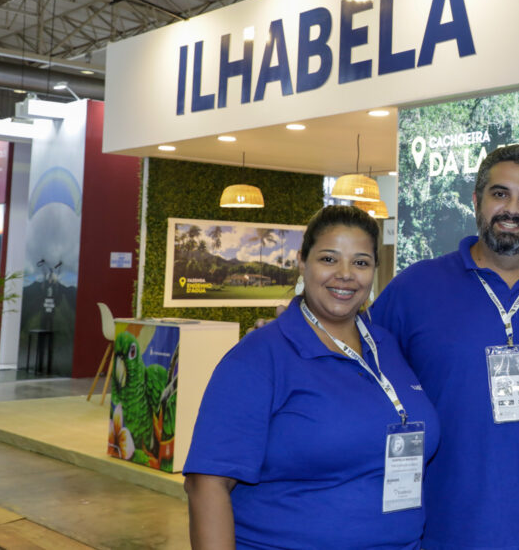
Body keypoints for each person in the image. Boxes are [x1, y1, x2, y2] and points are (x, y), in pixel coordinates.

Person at [372, 144, 519, 550]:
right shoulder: (413, 290)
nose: (512, 209)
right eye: (500, 194)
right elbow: (362, 385)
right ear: (477, 200)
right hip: (435, 535)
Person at [183, 205, 439, 549]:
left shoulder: (386, 346)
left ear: (375, 271)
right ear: (302, 262)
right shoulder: (259, 357)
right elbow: (206, 485)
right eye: (329, 259)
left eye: (360, 262)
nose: (345, 274)